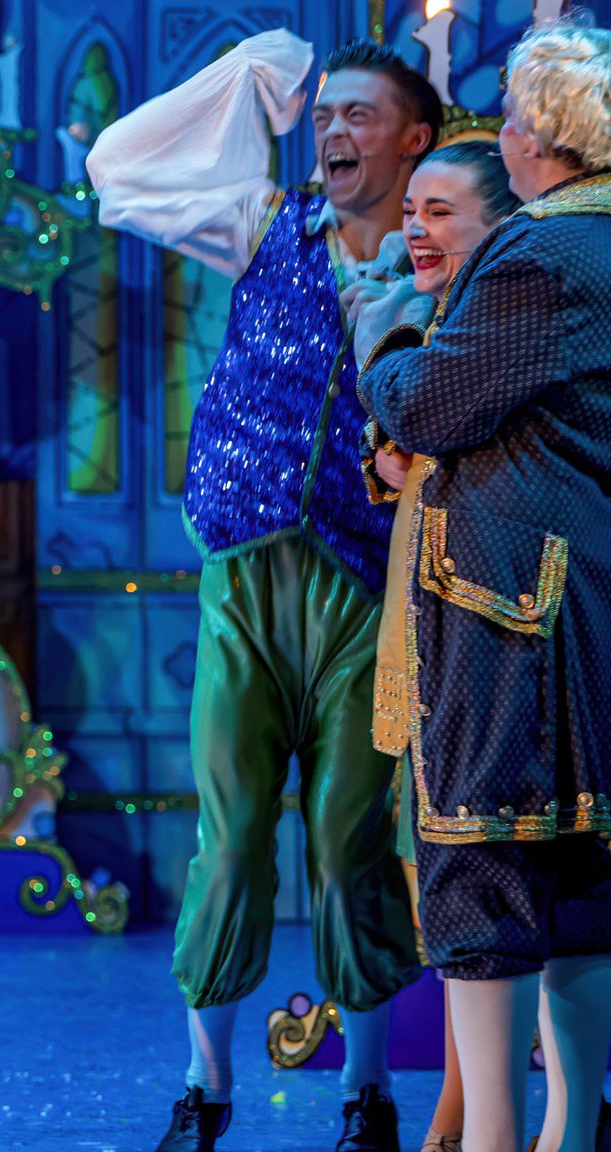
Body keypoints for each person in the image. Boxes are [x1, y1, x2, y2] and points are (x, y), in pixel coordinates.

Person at [87, 32, 438, 1152]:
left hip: (361, 582)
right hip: (244, 572)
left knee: (345, 840)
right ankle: (204, 1086)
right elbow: (118, 166)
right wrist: (249, 72)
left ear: (414, 140)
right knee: (230, 836)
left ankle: (367, 1092)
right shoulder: (262, 225)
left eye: (358, 116)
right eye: (322, 114)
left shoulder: (445, 261)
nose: (332, 132)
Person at [354, 21, 611, 1152]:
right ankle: (562, 1131)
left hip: (511, 613)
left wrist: (392, 342)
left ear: (541, 140)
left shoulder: (543, 255)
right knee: (578, 882)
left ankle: (498, 1143)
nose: (497, 134)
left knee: (484, 871)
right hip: (571, 596)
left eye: (508, 117)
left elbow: (424, 405)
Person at [352, 141, 520, 1152]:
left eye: (441, 212)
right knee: (433, 869)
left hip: (491, 618)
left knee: (487, 872)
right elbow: (391, 450)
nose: (414, 227)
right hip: (422, 612)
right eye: (408, 210)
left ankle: (486, 1116)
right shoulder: (428, 318)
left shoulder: (506, 323)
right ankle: (458, 1111)